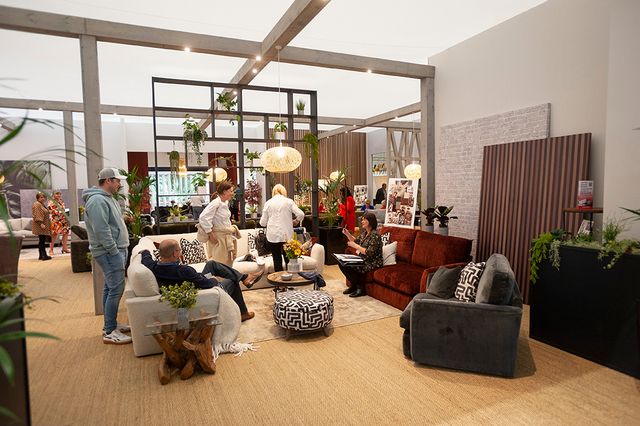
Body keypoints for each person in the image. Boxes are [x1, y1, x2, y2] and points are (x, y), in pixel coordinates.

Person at [140, 239, 260, 321]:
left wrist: (144, 251)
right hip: (205, 291)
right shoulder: (183, 270)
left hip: (196, 281)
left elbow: (146, 257)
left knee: (211, 264)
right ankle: (243, 312)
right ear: (175, 253)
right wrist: (214, 280)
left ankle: (245, 277)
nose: (181, 252)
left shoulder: (153, 267)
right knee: (232, 280)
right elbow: (207, 284)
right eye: (179, 250)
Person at [82, 167, 132, 345]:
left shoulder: (107, 198)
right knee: (116, 290)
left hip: (115, 250)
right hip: (111, 252)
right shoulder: (97, 201)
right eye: (117, 181)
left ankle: (110, 325)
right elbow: (101, 230)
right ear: (108, 180)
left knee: (110, 289)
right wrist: (114, 251)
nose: (119, 184)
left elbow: (110, 224)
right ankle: (110, 331)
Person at [260, 184, 305, 272]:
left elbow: (262, 223)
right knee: (289, 259)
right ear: (284, 191)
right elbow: (301, 214)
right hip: (286, 236)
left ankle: (279, 279)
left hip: (272, 236)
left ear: (273, 192)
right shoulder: (289, 202)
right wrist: (296, 221)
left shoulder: (268, 203)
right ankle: (290, 277)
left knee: (276, 260)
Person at [339, 211, 383, 298]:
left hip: (372, 262)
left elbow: (369, 252)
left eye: (364, 220)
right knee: (341, 263)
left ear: (370, 221)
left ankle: (360, 288)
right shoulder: (365, 233)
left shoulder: (375, 235)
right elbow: (355, 241)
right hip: (363, 259)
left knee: (352, 266)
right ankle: (353, 285)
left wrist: (356, 246)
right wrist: (347, 233)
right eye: (362, 220)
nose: (362, 222)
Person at [198, 181, 240, 266]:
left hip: (225, 237)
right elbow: (203, 217)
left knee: (227, 264)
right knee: (219, 264)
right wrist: (210, 233)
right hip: (219, 238)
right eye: (231, 191)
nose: (233, 193)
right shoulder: (215, 203)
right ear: (224, 192)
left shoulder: (225, 203)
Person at [48, 191, 70, 255]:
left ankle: (64, 248)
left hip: (63, 220)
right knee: (54, 234)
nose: (59, 195)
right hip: (56, 220)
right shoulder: (51, 202)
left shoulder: (61, 201)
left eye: (60, 194)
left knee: (66, 232)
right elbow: (52, 211)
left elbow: (63, 209)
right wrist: (61, 212)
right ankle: (51, 250)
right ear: (53, 194)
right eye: (57, 194)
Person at [31, 192, 52, 261]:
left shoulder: (41, 204)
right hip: (40, 225)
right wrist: (41, 223)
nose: (43, 199)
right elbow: (37, 215)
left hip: (42, 224)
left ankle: (41, 255)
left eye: (44, 197)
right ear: (38, 198)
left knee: (41, 240)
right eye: (41, 197)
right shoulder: (37, 204)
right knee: (42, 240)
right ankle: (43, 255)